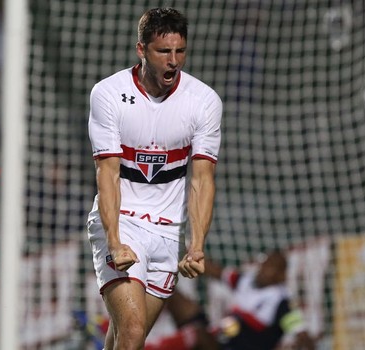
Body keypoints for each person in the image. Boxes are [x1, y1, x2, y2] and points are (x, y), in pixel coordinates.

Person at [86, 7, 223, 350]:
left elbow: (202, 179)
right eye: (164, 51)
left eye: (180, 51)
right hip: (122, 221)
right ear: (141, 49)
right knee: (132, 332)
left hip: (165, 230)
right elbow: (108, 172)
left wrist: (196, 245)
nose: (174, 60)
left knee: (124, 337)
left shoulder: (203, 101)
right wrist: (114, 239)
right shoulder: (108, 94)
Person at [144, 250, 316, 350]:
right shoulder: (247, 281)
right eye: (266, 263)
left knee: (199, 333)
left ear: (281, 276)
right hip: (218, 338)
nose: (264, 269)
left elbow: (303, 336)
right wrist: (187, 254)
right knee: (172, 292)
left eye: (271, 267)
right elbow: (215, 271)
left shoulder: (282, 304)